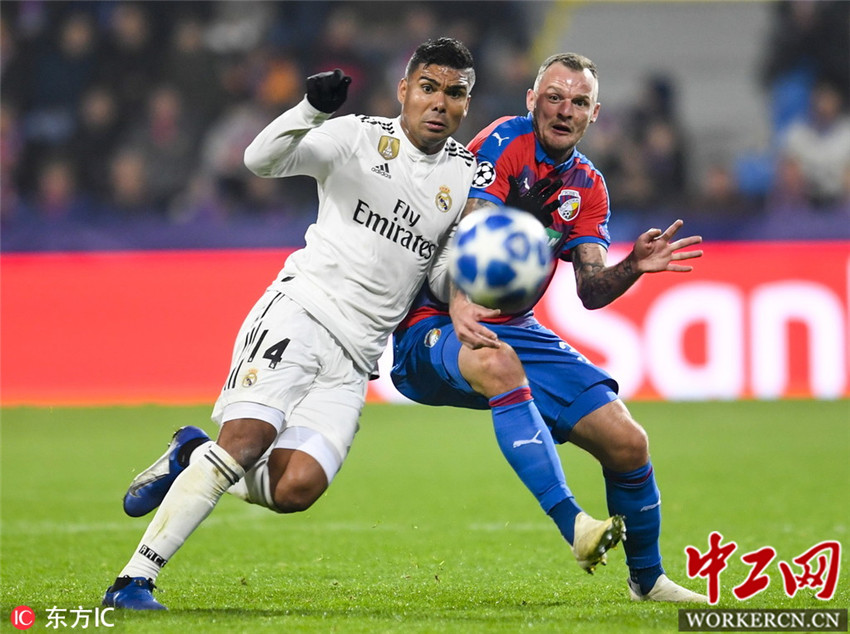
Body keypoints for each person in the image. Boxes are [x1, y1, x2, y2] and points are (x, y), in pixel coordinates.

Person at [103, 37, 477, 610]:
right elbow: (259, 161)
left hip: (357, 357)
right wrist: (310, 110)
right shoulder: (356, 136)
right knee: (245, 441)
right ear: (404, 90)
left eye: (454, 93)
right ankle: (133, 580)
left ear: (466, 104)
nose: (439, 102)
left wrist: (483, 267)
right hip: (300, 312)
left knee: (295, 487)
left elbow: (443, 277)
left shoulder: (465, 177)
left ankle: (191, 453)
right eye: (428, 87)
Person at [390, 52, 708, 602]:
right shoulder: (504, 141)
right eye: (555, 97)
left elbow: (590, 291)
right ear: (532, 100)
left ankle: (648, 580)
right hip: (435, 319)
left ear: (594, 114)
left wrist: (633, 265)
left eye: (579, 102)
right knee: (499, 364)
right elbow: (472, 225)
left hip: (514, 326)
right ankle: (575, 525)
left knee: (628, 442)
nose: (565, 110)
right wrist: (461, 302)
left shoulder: (588, 186)